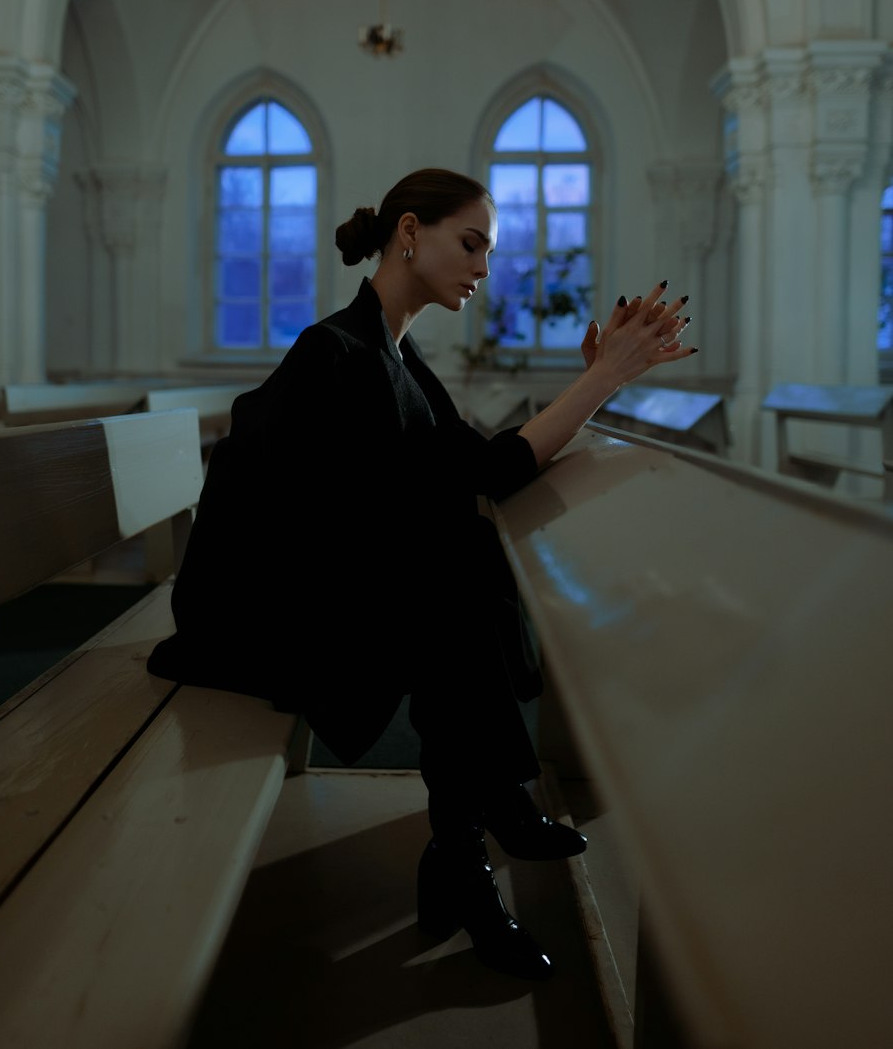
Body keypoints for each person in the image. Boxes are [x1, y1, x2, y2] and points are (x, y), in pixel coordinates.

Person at [148, 167, 695, 981]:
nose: (482, 268)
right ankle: (484, 820)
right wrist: (601, 379)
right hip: (249, 617)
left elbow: (482, 465)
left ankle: (466, 848)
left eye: (487, 251)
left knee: (459, 561)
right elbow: (477, 479)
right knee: (450, 569)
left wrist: (595, 383)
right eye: (470, 244)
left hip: (314, 590)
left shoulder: (397, 356)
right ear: (410, 232)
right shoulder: (337, 349)